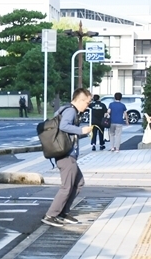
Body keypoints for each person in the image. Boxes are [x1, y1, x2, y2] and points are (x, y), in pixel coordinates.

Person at [41, 88, 93, 227]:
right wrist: (82, 130)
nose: (88, 106)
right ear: (80, 100)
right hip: (66, 155)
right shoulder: (70, 111)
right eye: (87, 102)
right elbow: (64, 126)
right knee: (67, 186)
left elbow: (67, 132)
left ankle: (63, 212)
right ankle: (51, 215)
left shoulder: (66, 110)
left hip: (66, 154)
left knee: (78, 183)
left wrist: (83, 133)